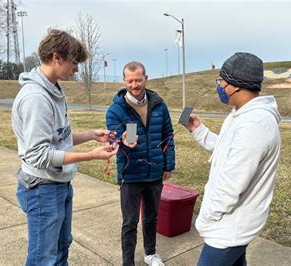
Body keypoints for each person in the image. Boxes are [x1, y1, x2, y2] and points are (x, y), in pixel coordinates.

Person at [11, 29, 118, 265]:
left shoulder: (54, 88)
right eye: (74, 62)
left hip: (58, 185)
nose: (76, 69)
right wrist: (90, 156)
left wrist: (91, 135)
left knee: (61, 248)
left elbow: (58, 139)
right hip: (42, 189)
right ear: (57, 57)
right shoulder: (36, 98)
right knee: (43, 258)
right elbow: (39, 156)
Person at [182, 52, 281, 265]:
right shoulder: (241, 114)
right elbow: (227, 149)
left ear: (235, 85)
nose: (219, 86)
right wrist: (198, 130)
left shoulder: (255, 124)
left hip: (229, 228)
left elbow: (231, 184)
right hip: (231, 224)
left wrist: (208, 216)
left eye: (221, 81)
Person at [106, 61, 175, 266]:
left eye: (138, 80)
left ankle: (151, 254)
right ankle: (128, 261)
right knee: (129, 222)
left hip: (155, 172)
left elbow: (168, 136)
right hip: (131, 174)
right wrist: (121, 139)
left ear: (146, 78)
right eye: (130, 81)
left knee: (151, 218)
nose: (134, 85)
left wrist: (168, 166)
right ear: (124, 81)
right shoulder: (117, 109)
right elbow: (113, 137)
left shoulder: (159, 105)